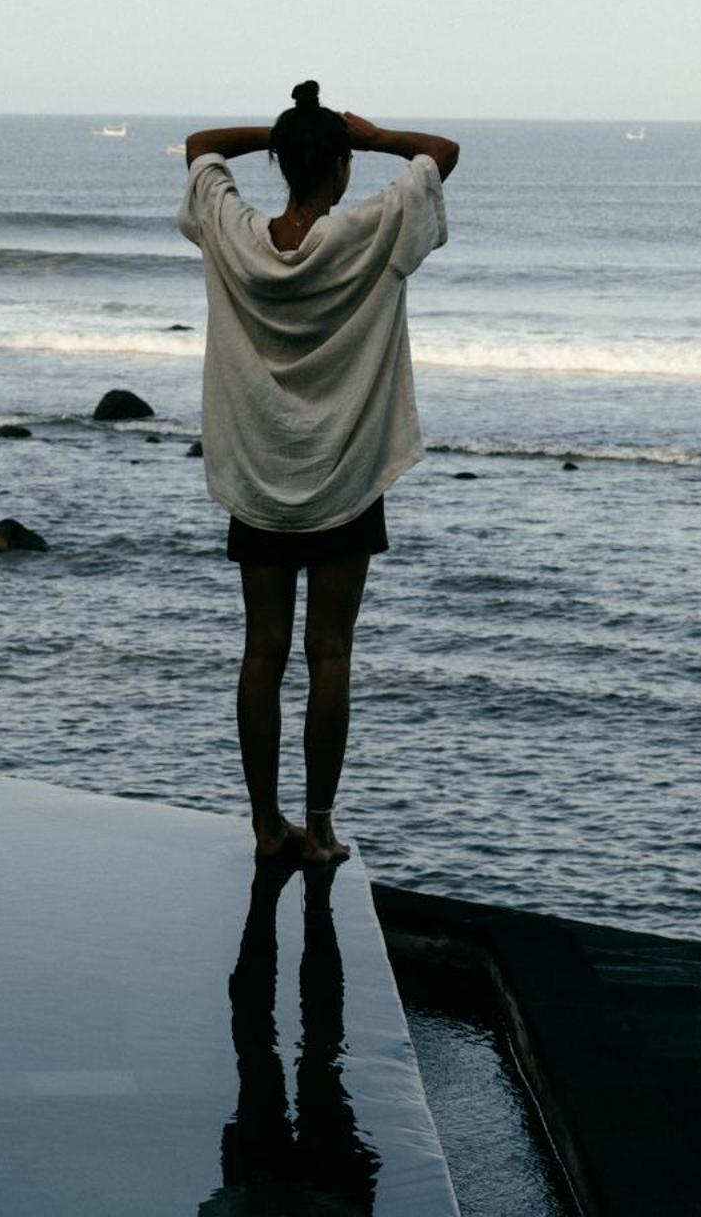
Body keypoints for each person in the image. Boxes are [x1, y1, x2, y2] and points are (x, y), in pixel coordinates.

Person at [178, 82, 458, 866]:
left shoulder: (231, 233)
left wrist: (286, 131)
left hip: (260, 476)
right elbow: (441, 155)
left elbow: (201, 145)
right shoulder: (370, 231)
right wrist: (367, 137)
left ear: (277, 164)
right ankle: (322, 825)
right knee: (329, 653)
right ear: (338, 166)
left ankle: (267, 826)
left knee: (261, 652)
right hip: (343, 476)